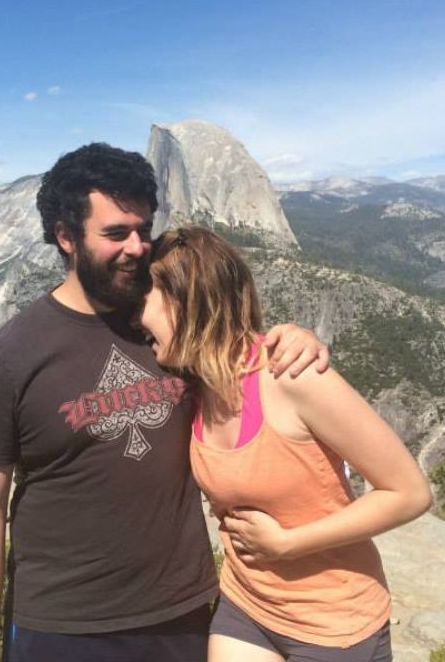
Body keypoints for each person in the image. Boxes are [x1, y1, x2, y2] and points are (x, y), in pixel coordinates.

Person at [0, 143, 329, 662]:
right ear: (66, 237)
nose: (136, 247)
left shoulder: (171, 322)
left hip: (184, 611)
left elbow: (243, 357)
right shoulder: (9, 358)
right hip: (62, 627)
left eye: (142, 230)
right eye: (114, 233)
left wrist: (293, 338)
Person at [140, 226, 433, 662]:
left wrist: (287, 545)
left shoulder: (292, 377)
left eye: (145, 297)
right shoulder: (191, 383)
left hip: (333, 620)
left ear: (185, 301)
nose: (136, 315)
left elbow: (410, 493)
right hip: (246, 605)